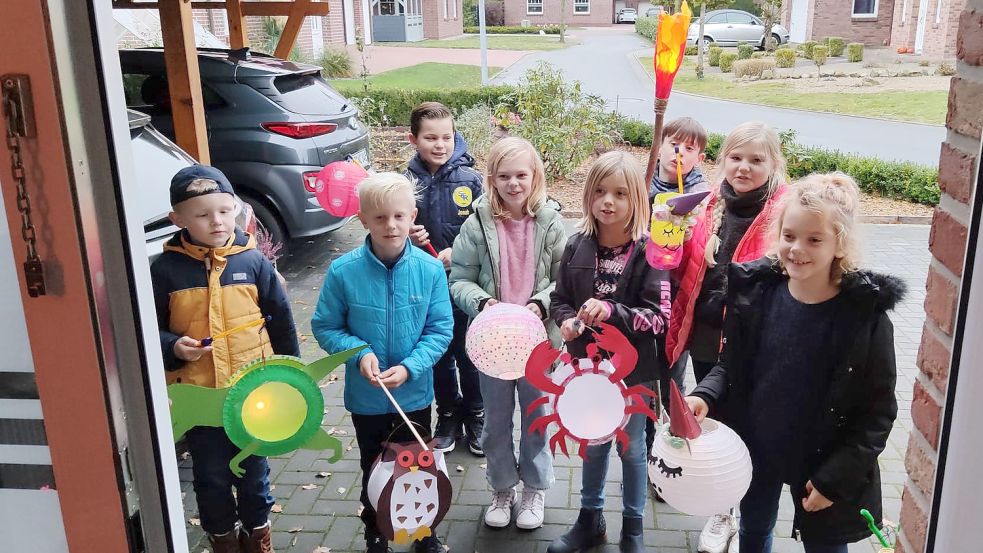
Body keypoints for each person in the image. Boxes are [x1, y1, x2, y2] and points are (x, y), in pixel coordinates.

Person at [685, 172, 902, 553]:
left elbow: (877, 413)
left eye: (814, 239)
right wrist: (705, 395)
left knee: (826, 545)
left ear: (840, 245)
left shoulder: (864, 318)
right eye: (789, 236)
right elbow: (730, 366)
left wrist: (834, 480)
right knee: (754, 532)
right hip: (758, 449)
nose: (797, 248)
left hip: (822, 463)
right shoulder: (756, 295)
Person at [151, 164, 299, 553]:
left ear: (235, 207)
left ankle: (257, 535)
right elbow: (148, 329)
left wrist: (293, 379)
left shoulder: (252, 262)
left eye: (224, 209)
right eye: (202, 214)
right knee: (211, 476)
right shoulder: (166, 270)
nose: (216, 221)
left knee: (253, 473)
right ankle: (223, 540)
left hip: (253, 394)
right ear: (177, 219)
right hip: (200, 399)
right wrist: (173, 346)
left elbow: (280, 320)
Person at [664, 121, 790, 553]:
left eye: (756, 160)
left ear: (774, 164)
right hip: (705, 337)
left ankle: (750, 515)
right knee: (716, 418)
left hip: (753, 346)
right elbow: (687, 265)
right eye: (736, 158)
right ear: (723, 161)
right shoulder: (708, 205)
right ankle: (723, 510)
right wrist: (668, 241)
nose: (744, 167)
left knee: (750, 427)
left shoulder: (782, 212)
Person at [311, 173, 453, 553]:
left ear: (412, 216)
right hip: (367, 398)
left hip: (415, 394)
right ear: (363, 220)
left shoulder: (431, 269)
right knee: (373, 466)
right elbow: (325, 326)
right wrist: (360, 352)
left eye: (398, 216)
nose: (390, 225)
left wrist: (410, 367)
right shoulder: (344, 271)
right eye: (379, 218)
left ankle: (423, 531)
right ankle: (376, 528)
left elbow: (440, 330)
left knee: (418, 466)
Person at [547, 151, 671, 553]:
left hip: (633, 372)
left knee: (632, 449)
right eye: (600, 191)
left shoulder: (649, 251)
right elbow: (560, 299)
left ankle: (632, 530)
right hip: (587, 369)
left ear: (637, 199)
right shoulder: (576, 244)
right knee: (594, 442)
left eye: (620, 193)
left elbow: (659, 317)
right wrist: (566, 323)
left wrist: (614, 311)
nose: (608, 201)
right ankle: (589, 519)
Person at [449, 136, 565, 530]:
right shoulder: (477, 224)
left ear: (535, 176)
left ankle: (534, 488)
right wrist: (482, 303)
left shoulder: (551, 223)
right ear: (492, 179)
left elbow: (564, 279)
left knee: (537, 418)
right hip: (493, 344)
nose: (514, 183)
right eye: (504, 176)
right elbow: (460, 278)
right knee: (496, 421)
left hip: (539, 344)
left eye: (521, 175)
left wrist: (542, 304)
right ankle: (502, 487)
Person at [404, 101, 486, 455]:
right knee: (439, 354)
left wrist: (460, 252)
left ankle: (477, 414)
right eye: (431, 138)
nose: (440, 145)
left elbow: (487, 230)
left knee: (470, 354)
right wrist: (408, 233)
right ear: (413, 139)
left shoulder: (470, 179)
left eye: (447, 137)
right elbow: (393, 221)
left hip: (464, 283)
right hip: (425, 286)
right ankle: (449, 414)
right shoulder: (407, 181)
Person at [644, 116, 712, 461]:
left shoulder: (703, 201)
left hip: (679, 306)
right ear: (659, 147)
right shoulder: (642, 188)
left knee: (672, 379)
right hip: (642, 300)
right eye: (673, 144)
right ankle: (643, 454)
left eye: (690, 148)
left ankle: (669, 457)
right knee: (642, 382)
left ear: (699, 157)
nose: (679, 153)